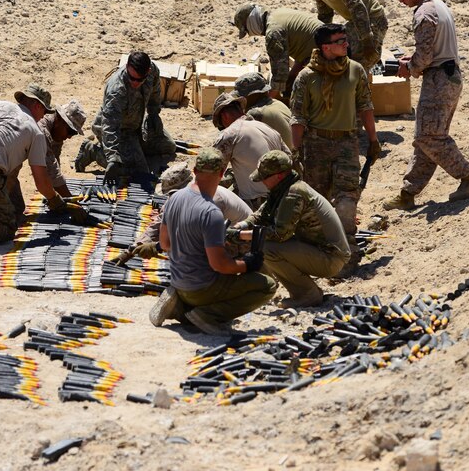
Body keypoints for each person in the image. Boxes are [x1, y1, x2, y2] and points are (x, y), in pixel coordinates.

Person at [383, 0, 469, 211]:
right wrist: (415, 60)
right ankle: (408, 193)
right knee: (425, 138)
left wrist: (410, 67)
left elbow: (425, 55)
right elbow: (433, 49)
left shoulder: (424, 13)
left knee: (429, 136)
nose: (400, 0)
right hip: (447, 77)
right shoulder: (438, 5)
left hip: (439, 80)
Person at [150, 148, 277, 336]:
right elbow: (220, 265)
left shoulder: (174, 199)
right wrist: (247, 264)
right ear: (222, 173)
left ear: (194, 171)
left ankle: (180, 306)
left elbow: (165, 243)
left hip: (178, 282)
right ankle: (207, 315)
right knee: (267, 285)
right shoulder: (211, 213)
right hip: (202, 288)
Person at [0, 84, 87, 249]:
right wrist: (58, 203)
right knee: (7, 228)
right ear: (37, 105)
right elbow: (41, 182)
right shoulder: (35, 131)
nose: (44, 116)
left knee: (17, 211)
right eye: (44, 112)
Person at [291, 24, 380, 275]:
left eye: (346, 39)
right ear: (325, 47)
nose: (346, 44)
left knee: (346, 199)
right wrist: (295, 152)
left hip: (347, 144)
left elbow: (365, 106)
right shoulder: (306, 77)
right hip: (315, 145)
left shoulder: (355, 70)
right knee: (315, 201)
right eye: (340, 40)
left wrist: (373, 140)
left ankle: (347, 253)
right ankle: (317, 253)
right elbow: (298, 117)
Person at [232, 150, 350, 308]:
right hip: (323, 251)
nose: (262, 182)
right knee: (264, 243)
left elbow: (279, 234)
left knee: (266, 248)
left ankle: (307, 295)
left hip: (331, 257)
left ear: (278, 176)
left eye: (265, 177)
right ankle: (306, 290)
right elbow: (261, 215)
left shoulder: (293, 194)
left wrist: (241, 235)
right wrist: (241, 226)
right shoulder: (286, 187)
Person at [114, 161, 252, 263]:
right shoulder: (181, 197)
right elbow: (159, 223)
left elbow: (196, 236)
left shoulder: (211, 199)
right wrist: (131, 250)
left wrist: (157, 247)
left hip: (241, 243)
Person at [74, 51, 176, 183]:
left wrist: (153, 114)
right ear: (127, 66)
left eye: (139, 79)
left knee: (168, 146)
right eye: (131, 78)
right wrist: (112, 157)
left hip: (137, 124)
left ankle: (134, 151)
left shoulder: (153, 71)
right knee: (137, 173)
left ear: (148, 71)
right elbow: (110, 126)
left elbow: (155, 91)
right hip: (118, 130)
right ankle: (93, 152)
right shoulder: (116, 90)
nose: (135, 83)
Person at [292, 0, 388, 74]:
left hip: (372, 21)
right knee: (338, 55)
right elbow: (325, 17)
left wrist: (367, 40)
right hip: (356, 22)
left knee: (358, 66)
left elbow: (357, 6)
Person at [211, 92, 291, 210]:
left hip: (257, 203)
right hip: (283, 196)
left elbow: (210, 171)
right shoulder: (266, 127)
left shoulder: (230, 134)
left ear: (224, 116)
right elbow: (288, 157)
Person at [233, 4, 323, 101]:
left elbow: (280, 73)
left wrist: (268, 100)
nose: (250, 34)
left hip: (324, 55)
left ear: (250, 21)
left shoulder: (273, 32)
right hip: (328, 46)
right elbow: (302, 47)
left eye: (247, 30)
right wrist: (291, 77)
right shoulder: (278, 14)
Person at [38, 99, 87, 198]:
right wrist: (69, 200)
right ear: (59, 119)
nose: (69, 137)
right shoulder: (41, 131)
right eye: (70, 131)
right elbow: (51, 171)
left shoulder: (57, 131)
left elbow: (54, 164)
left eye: (73, 133)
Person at [233, 72, 295, 149]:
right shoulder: (277, 103)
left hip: (281, 158)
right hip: (291, 155)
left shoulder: (255, 113)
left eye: (242, 96)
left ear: (252, 95)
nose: (240, 100)